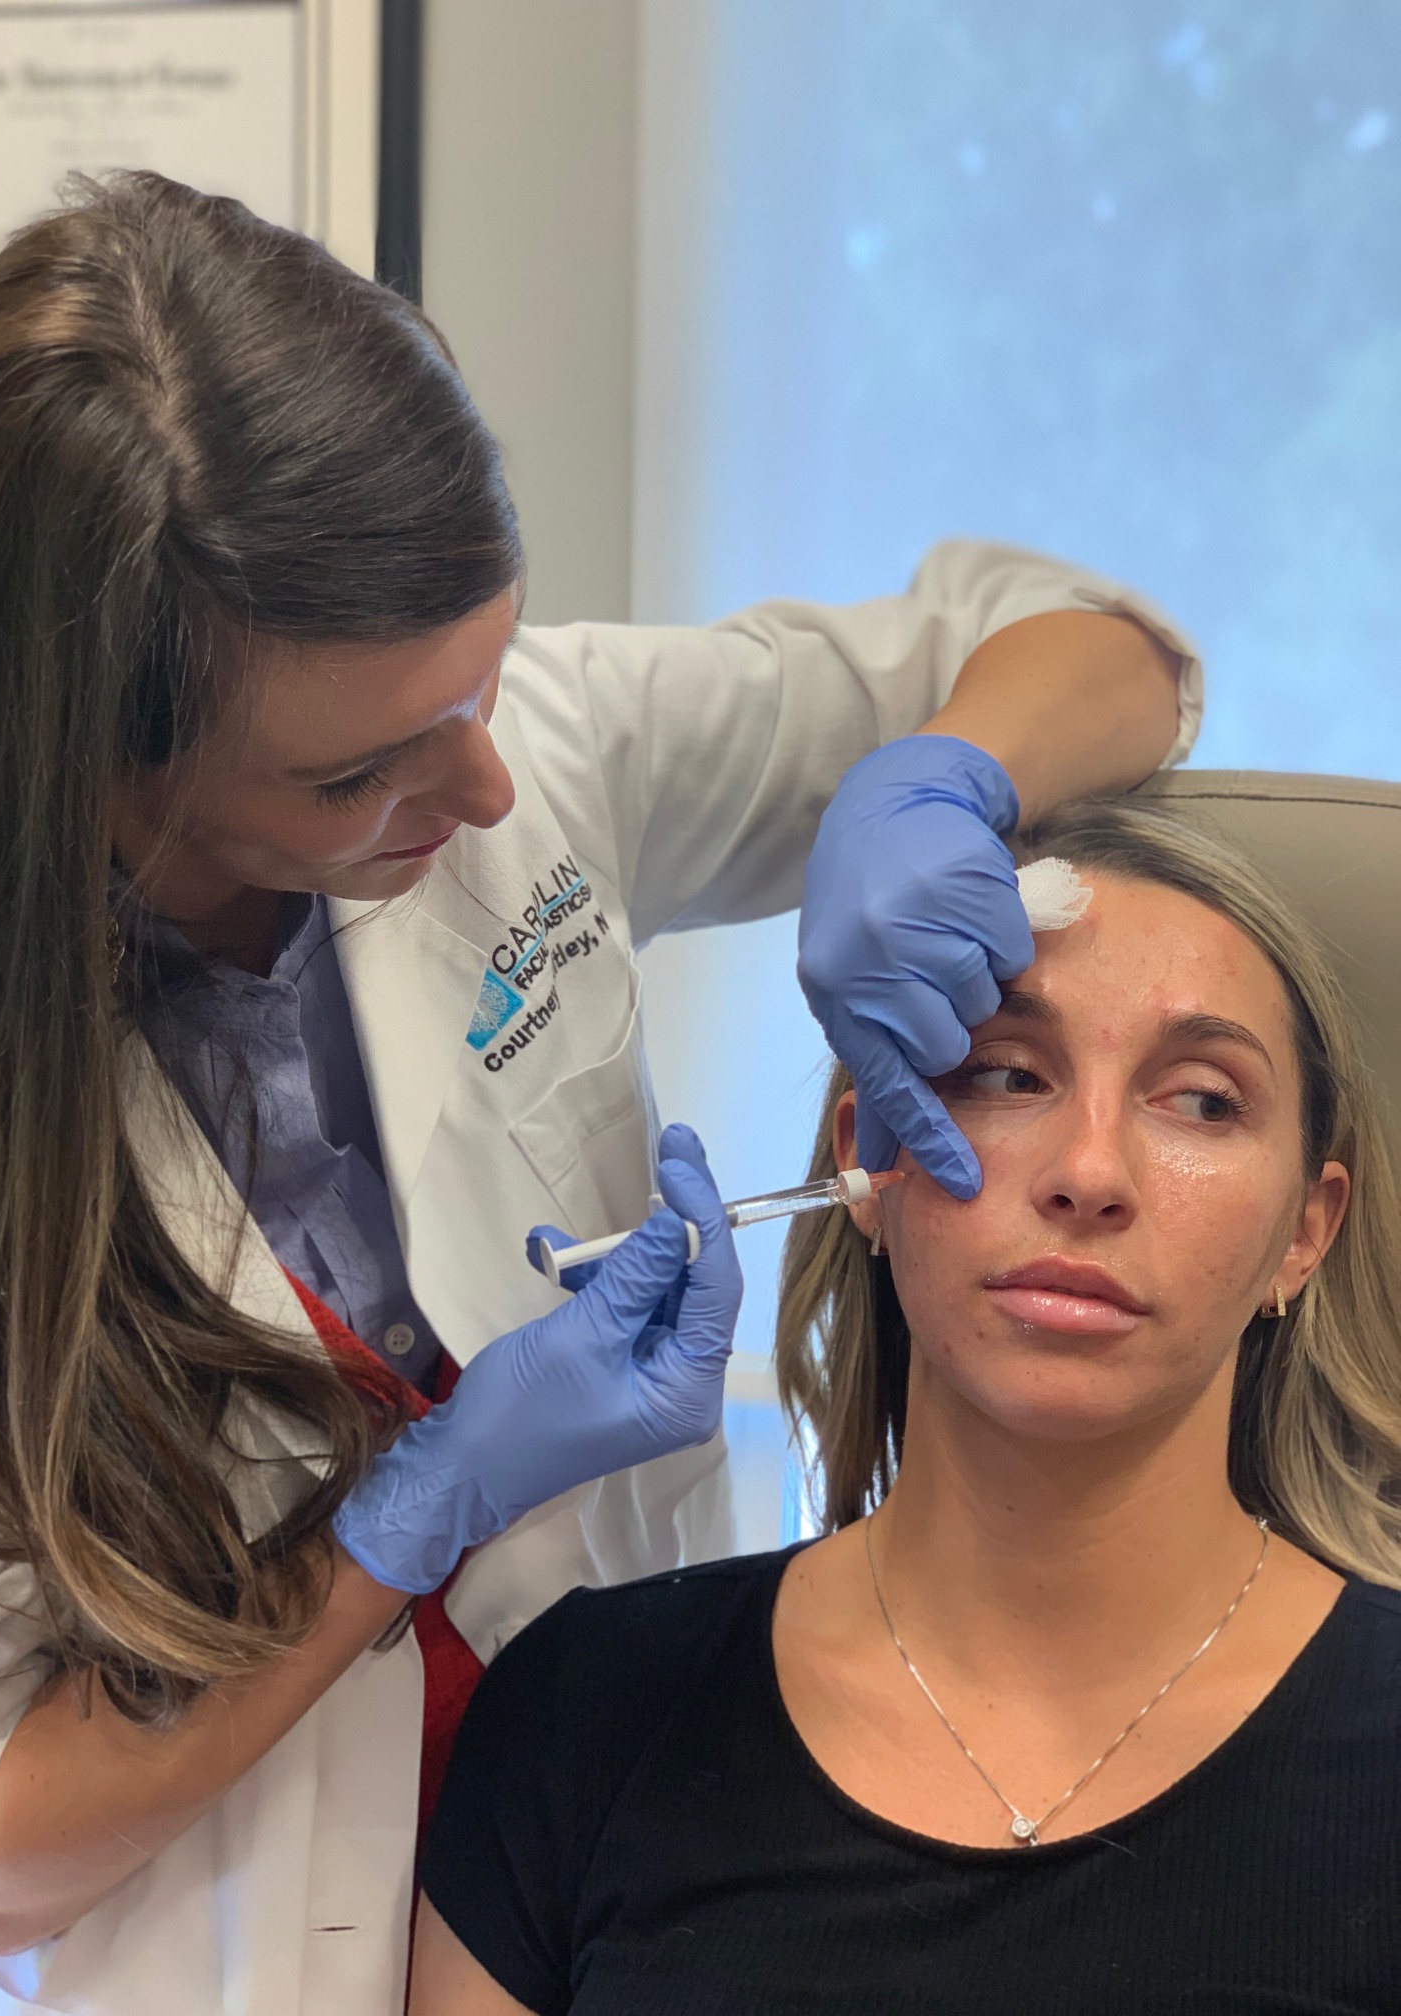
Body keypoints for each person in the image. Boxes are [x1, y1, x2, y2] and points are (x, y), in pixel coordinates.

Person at [0, 168, 1198, 2016]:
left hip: (653, 1857)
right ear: (92, 771)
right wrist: (394, 1525)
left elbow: (1099, 654)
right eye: (360, 778)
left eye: (485, 676)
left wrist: (946, 780)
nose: (488, 794)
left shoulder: (532, 754)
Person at [413, 800, 1401, 2015]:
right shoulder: (586, 1713)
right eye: (1004, 1074)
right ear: (866, 1167)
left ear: (1308, 1231)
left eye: (1201, 1101)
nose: (1090, 1174)